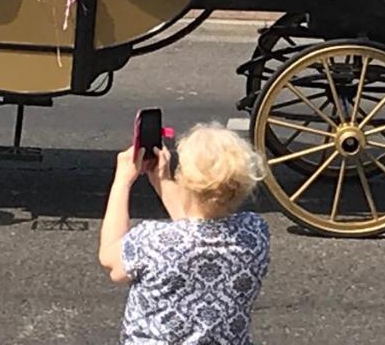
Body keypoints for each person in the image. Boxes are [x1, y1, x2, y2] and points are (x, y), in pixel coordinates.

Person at [98, 123, 269, 345]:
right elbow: (197, 225)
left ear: (185, 180)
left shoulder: (153, 240)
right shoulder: (255, 233)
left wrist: (122, 181)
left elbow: (112, 264)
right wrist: (162, 180)